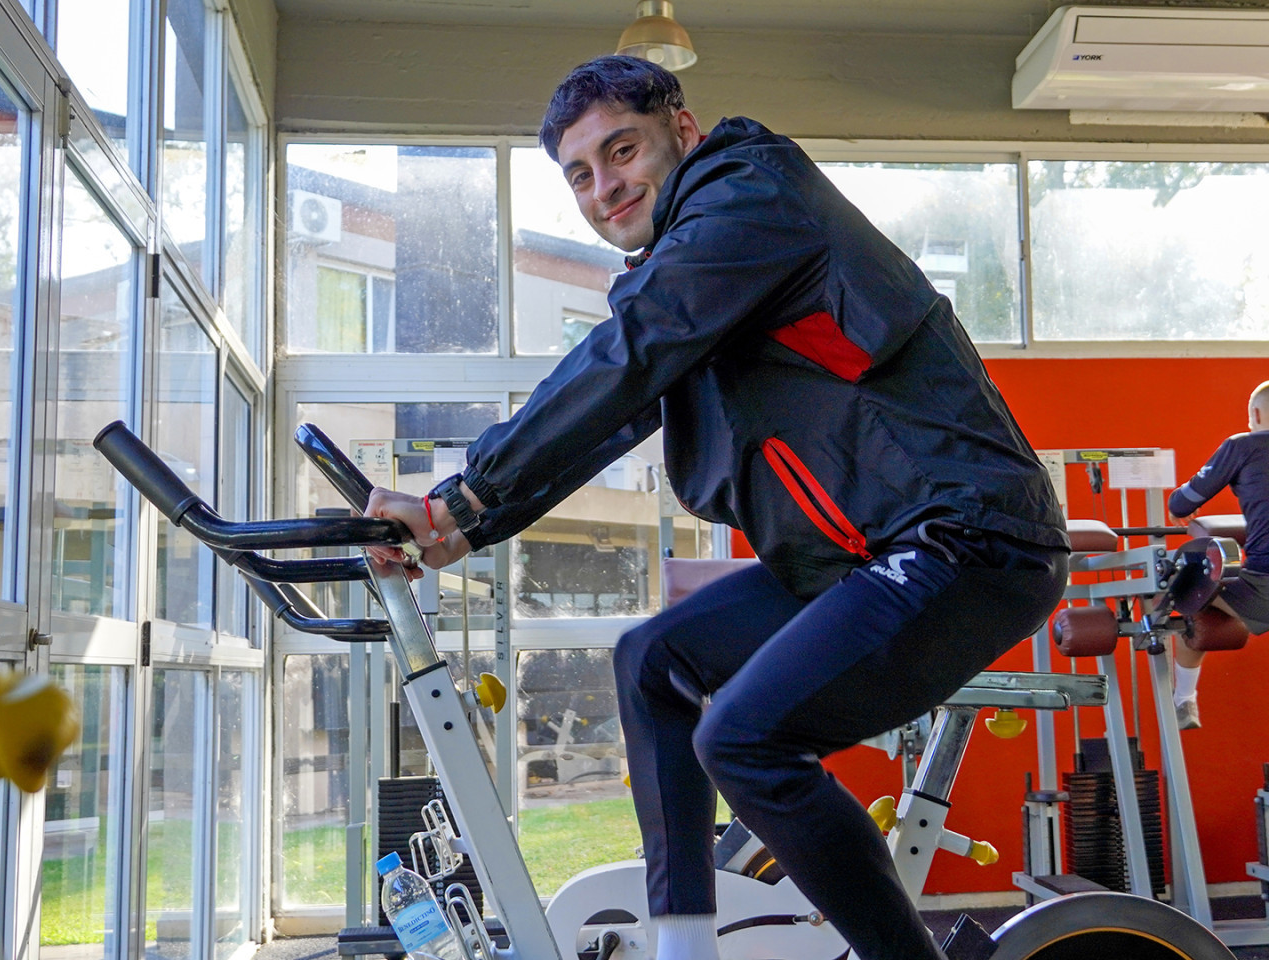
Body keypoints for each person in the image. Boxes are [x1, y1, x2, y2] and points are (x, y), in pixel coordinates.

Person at [364, 56, 1069, 960]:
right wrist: (460, 525)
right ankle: (684, 948)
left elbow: (634, 349)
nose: (603, 186)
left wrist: (457, 497)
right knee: (652, 660)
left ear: (684, 134)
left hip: (966, 537)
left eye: (621, 151)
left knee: (745, 740)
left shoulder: (748, 194)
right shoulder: (692, 270)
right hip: (855, 555)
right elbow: (617, 411)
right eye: (580, 174)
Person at [1167, 380, 1269, 731]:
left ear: (1255, 415)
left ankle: (1183, 698)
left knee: (1180, 588)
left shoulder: (1243, 446)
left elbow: (1181, 502)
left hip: (1264, 587)